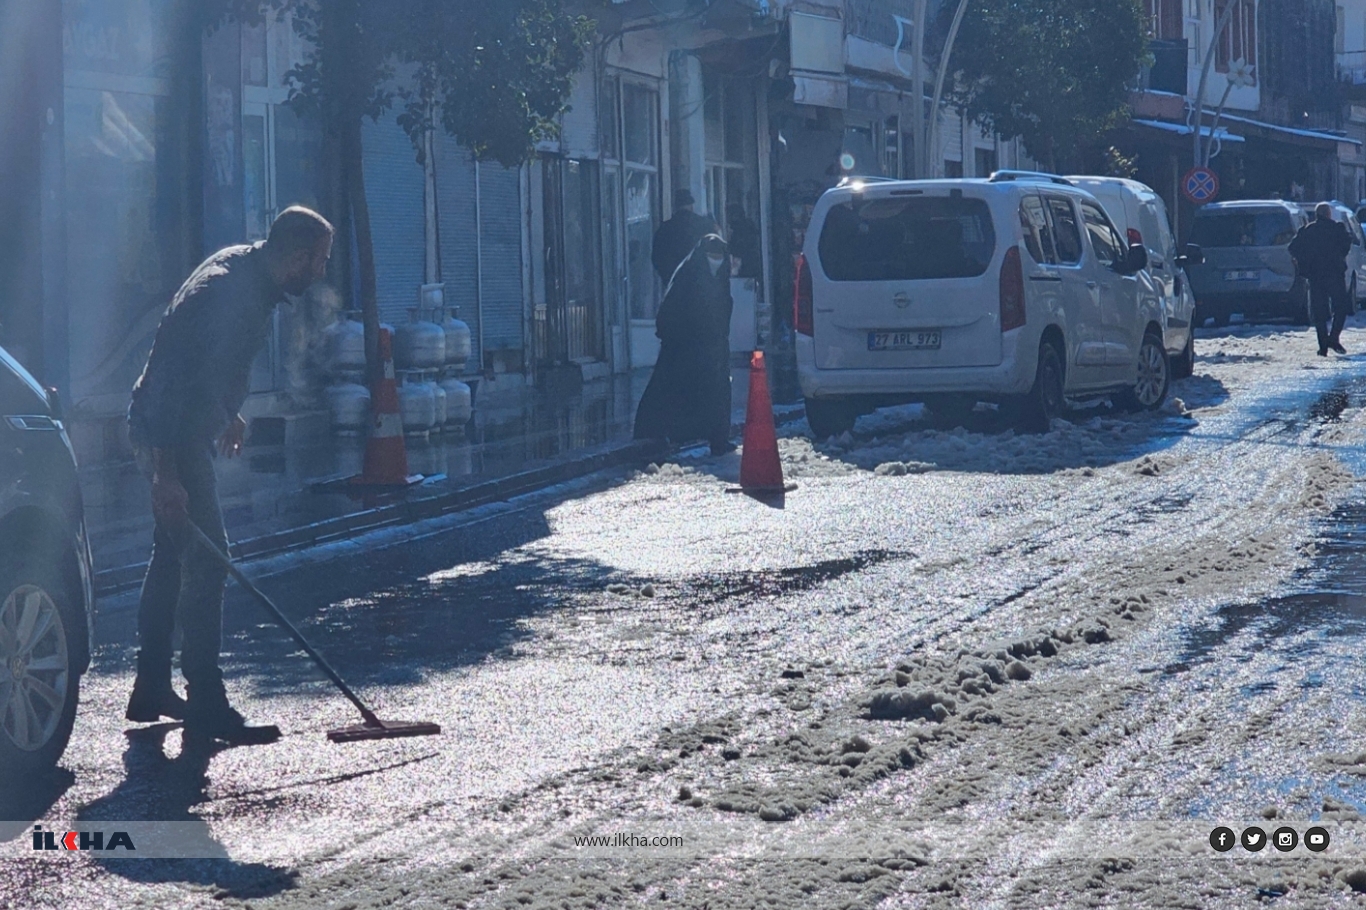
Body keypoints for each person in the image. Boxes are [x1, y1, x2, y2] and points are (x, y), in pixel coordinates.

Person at [125, 206, 334, 744]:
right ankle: (208, 703)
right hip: (169, 433)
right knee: (211, 558)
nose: (321, 273)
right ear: (297, 255)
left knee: (171, 554)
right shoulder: (227, 292)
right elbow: (170, 377)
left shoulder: (249, 272)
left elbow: (205, 364)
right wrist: (165, 474)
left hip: (179, 424)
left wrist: (227, 409)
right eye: (320, 261)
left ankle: (150, 686)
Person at [633, 234, 735, 455]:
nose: (715, 260)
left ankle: (718, 439)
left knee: (716, 393)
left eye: (719, 256)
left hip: (713, 347)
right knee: (674, 393)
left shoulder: (721, 275)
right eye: (711, 255)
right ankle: (663, 435)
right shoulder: (687, 274)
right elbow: (670, 309)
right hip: (684, 346)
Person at [1289, 203, 1354, 356]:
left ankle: (1323, 346)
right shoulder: (1337, 229)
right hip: (1335, 275)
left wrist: (1303, 263)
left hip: (1315, 276)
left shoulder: (1307, 230)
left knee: (1319, 312)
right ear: (1328, 214)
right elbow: (1346, 245)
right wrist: (1338, 257)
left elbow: (1293, 248)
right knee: (1341, 307)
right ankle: (1334, 338)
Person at [651, 189, 719, 284]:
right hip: (700, 283)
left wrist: (667, 277)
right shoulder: (705, 225)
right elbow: (717, 253)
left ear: (675, 206)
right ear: (691, 206)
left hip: (674, 283)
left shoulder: (665, 228)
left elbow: (657, 257)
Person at [726, 202, 762, 280]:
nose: (727, 219)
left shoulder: (741, 230)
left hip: (746, 268)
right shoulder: (747, 227)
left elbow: (738, 249)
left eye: (729, 215)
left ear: (735, 216)